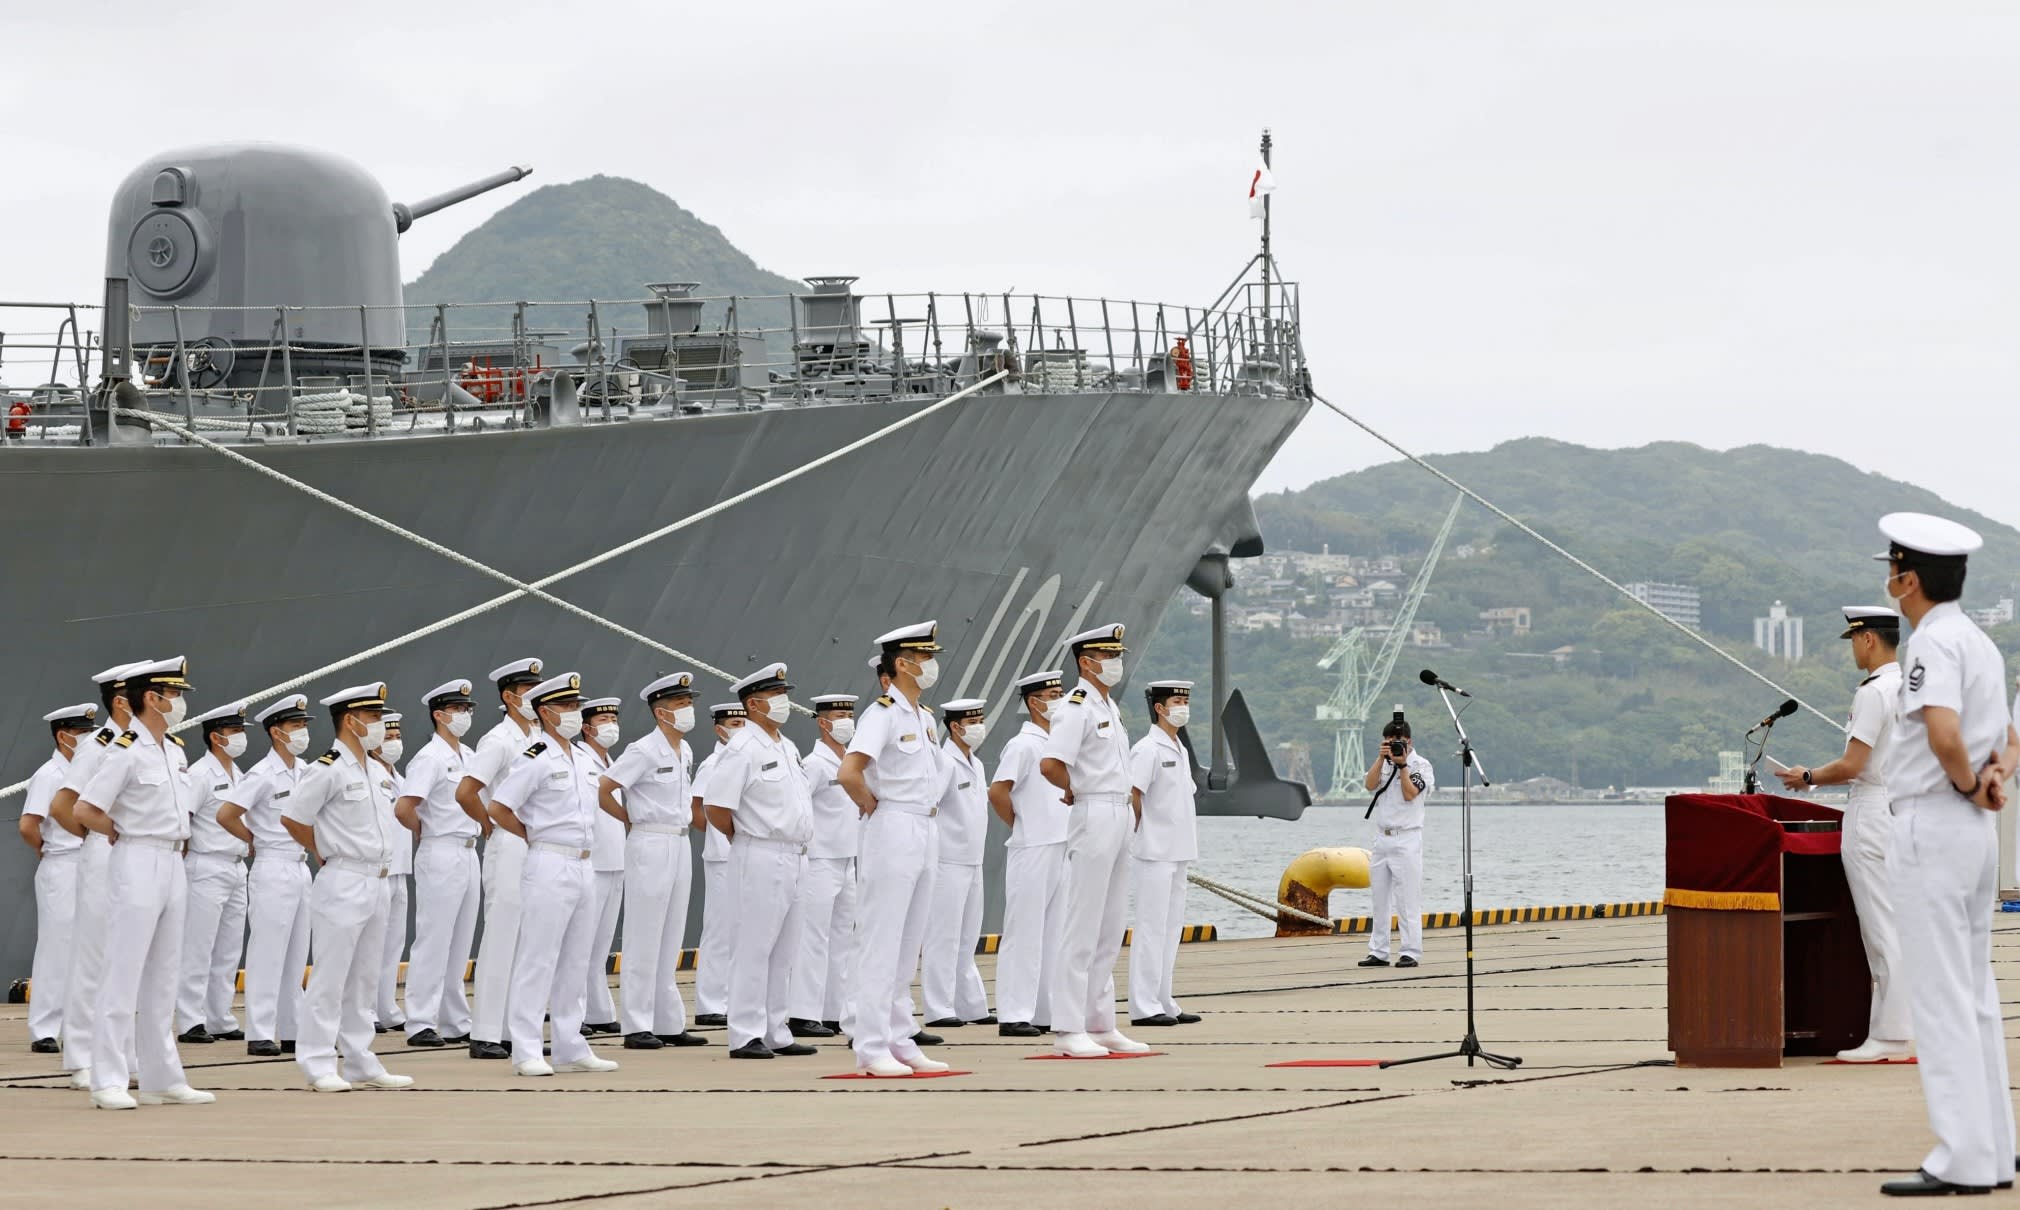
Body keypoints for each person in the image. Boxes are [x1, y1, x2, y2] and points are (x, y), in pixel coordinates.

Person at [1870, 513, 2019, 1197]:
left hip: (1933, 821)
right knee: (1975, 992)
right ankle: (1994, 1150)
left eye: (1891, 568)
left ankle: (1961, 1157)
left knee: (1940, 995)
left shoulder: (1931, 642)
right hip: (1973, 831)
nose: (1888, 578)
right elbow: (2009, 737)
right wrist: (1993, 781)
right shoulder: (1979, 641)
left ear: (1907, 579)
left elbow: (1944, 733)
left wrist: (1964, 783)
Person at [74, 656, 215, 1109]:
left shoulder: (173, 749)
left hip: (173, 860)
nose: (179, 702)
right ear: (152, 699)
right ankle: (108, 1079)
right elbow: (84, 808)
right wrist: (117, 830)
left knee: (164, 973)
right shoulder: (125, 749)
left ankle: (161, 1076)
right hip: (136, 857)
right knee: (122, 971)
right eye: (173, 694)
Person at [1776, 606, 1909, 1062]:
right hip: (1904, 810)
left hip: (1872, 811)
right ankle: (1902, 1031)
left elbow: (1853, 765)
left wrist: (1807, 776)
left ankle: (1891, 1037)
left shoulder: (1874, 692)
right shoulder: (1911, 687)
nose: (1853, 648)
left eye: (1854, 639)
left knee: (1880, 928)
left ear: (1868, 639)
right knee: (1899, 925)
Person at [278, 683, 414, 1094]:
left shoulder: (377, 771)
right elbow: (293, 818)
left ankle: (360, 1060)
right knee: (330, 976)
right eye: (373, 718)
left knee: (364, 978)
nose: (380, 725)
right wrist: (323, 849)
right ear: (351, 722)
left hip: (378, 879)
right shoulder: (328, 768)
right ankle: (318, 1062)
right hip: (344, 878)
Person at [486, 671, 621, 1078]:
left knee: (576, 959)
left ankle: (570, 1045)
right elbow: (498, 807)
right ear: (545, 712)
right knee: (538, 958)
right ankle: (526, 1049)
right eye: (565, 706)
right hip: (548, 861)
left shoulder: (583, 757)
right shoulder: (536, 757)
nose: (574, 712)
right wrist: (531, 835)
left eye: (576, 705)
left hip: (584, 863)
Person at [840, 621, 955, 1077]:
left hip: (924, 826)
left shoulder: (923, 717)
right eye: (924, 658)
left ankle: (900, 1039)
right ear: (904, 664)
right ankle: (870, 1046)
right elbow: (849, 772)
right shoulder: (882, 714)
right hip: (893, 825)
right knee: (881, 940)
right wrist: (871, 805)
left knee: (908, 944)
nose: (931, 665)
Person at [1040, 624, 1149, 1058]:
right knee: (1082, 923)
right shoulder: (1075, 707)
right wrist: (1074, 789)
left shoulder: (1108, 706)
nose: (1116, 662)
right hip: (1094, 810)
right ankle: (1068, 1028)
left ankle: (1100, 1022)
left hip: (1119, 812)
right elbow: (1051, 764)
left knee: (1110, 924)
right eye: (1108, 655)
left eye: (1118, 654)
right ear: (1087, 662)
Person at [704, 662, 817, 1059]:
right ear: (753, 704)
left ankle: (775, 1029)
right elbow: (716, 807)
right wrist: (743, 837)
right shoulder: (742, 748)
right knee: (753, 946)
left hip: (796, 855)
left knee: (784, 950)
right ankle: (745, 1033)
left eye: (784, 694)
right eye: (775, 696)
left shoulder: (787, 746)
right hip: (761, 853)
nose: (783, 702)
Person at [49, 661, 148, 1087]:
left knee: (128, 957)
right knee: (93, 955)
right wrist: (98, 836)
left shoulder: (148, 744)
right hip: (105, 856)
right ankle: (81, 1057)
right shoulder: (98, 745)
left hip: (136, 856)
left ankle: (122, 1055)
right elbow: (62, 807)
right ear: (123, 701)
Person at [599, 672, 708, 1050]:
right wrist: (628, 820)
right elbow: (605, 789)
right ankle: (636, 1023)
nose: (688, 709)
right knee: (644, 934)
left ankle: (667, 1021)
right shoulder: (642, 750)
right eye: (681, 704)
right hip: (650, 841)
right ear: (661, 712)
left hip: (679, 841)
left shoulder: (685, 749)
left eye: (689, 702)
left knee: (671, 933)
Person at [216, 694, 315, 1057]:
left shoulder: (306, 771)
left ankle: (292, 1029)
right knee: (267, 952)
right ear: (276, 732)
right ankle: (259, 1032)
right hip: (272, 866)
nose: (302, 732)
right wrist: (253, 840)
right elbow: (226, 814)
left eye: (303, 725)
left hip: (300, 865)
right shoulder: (262, 774)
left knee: (296, 955)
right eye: (295, 725)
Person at [456, 656, 545, 1060]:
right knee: (502, 935)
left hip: (537, 844)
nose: (536, 695)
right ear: (509, 697)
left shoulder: (540, 736)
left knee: (529, 939)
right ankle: (486, 1032)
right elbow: (465, 792)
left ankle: (514, 1029)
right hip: (509, 842)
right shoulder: (498, 740)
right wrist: (488, 825)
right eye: (529, 690)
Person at [395, 679, 482, 1048]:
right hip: (441, 849)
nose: (464, 715)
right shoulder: (429, 758)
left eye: (467, 709)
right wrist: (425, 830)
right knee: (434, 938)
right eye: (457, 709)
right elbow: (404, 807)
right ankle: (419, 1021)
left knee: (461, 939)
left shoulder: (470, 755)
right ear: (439, 715)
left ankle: (454, 1019)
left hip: (468, 850)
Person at [990, 670, 1069, 1038]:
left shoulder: (1058, 743)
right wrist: (1020, 825)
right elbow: (997, 791)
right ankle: (1013, 1012)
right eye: (1053, 695)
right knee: (1024, 931)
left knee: (1053, 932)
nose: (1060, 700)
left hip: (1060, 843)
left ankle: (1043, 1010)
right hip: (1032, 846)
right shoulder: (1023, 745)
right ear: (1034, 702)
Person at [18, 701, 98, 1054]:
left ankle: (76, 1025)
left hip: (89, 862)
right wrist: (46, 850)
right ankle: (44, 1028)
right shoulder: (49, 774)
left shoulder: (87, 771)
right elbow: (28, 825)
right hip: (62, 863)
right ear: (63, 736)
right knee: (57, 945)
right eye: (82, 732)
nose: (88, 738)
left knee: (86, 945)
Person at [176, 702, 252, 1044]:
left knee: (228, 948)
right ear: (215, 737)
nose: (240, 737)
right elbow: (184, 819)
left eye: (241, 731)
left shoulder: (240, 775)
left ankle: (219, 1017)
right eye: (234, 731)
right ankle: (190, 1019)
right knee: (198, 945)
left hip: (236, 866)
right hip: (206, 865)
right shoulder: (199, 774)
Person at [787, 693, 860, 1039]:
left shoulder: (850, 761)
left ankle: (833, 1011)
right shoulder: (814, 764)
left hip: (847, 859)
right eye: (839, 716)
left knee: (842, 938)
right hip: (819, 860)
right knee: (812, 938)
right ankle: (802, 1013)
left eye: (849, 715)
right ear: (823, 722)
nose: (847, 721)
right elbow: (798, 806)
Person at [1128, 680, 1201, 1027]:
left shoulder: (1179, 748)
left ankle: (1164, 999)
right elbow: (1133, 793)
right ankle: (1143, 1006)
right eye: (1176, 701)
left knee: (1171, 930)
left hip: (1179, 850)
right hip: (1154, 852)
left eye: (1185, 701)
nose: (1183, 707)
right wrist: (1141, 833)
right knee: (1150, 928)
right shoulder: (1147, 749)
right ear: (1159, 708)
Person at [922, 699, 992, 1029]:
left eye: (980, 720)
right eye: (972, 722)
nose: (979, 727)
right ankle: (938, 1008)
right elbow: (929, 805)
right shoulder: (945, 762)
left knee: (967, 937)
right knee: (943, 937)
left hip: (972, 859)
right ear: (955, 727)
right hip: (947, 860)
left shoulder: (975, 763)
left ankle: (971, 1005)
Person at [1359, 710, 1434, 969]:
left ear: (1409, 741)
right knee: (1379, 899)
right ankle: (1378, 951)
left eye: (1397, 741)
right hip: (1382, 837)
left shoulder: (1421, 765)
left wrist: (1402, 766)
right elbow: (1369, 785)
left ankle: (1410, 951)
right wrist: (1381, 758)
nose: (1394, 746)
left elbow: (1410, 793)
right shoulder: (1383, 763)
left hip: (1407, 838)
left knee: (1407, 899)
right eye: (1388, 741)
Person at [690, 701, 748, 1028]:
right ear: (719, 729)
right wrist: (719, 835)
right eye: (735, 724)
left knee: (741, 930)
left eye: (744, 722)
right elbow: (697, 812)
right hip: (722, 856)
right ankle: (710, 1003)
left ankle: (731, 998)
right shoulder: (712, 764)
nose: (741, 728)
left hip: (744, 855)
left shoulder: (744, 758)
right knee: (720, 930)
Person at [578, 696, 626, 1037]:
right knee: (581, 943)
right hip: (592, 860)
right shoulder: (581, 759)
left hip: (615, 858)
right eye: (603, 719)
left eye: (613, 719)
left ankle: (597, 1010)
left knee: (600, 944)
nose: (611, 725)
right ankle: (576, 1012)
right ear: (587, 727)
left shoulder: (612, 762)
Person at [371, 713, 412, 1034]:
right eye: (387, 737)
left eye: (397, 736)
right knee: (369, 945)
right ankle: (366, 1008)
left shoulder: (401, 776)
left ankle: (386, 1005)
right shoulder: (367, 774)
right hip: (376, 870)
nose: (394, 743)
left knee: (393, 944)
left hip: (400, 868)